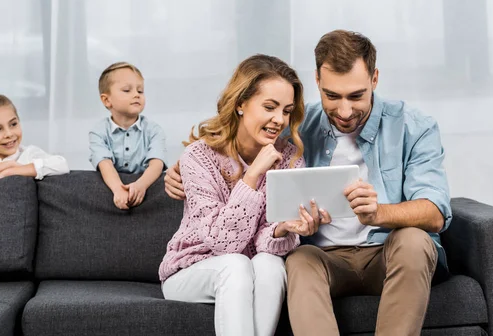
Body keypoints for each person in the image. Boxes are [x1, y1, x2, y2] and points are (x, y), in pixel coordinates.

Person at [164, 30, 452, 335]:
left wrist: (378, 213)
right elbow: (238, 140)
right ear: (317, 81)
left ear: (375, 79)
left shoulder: (414, 127)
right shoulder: (297, 129)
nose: (344, 111)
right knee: (298, 261)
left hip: (387, 251)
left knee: (414, 241)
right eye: (332, 96)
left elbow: (435, 213)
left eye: (356, 96)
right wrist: (181, 168)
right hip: (324, 257)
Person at [159, 54, 326, 336]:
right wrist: (252, 176)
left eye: (286, 111)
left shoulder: (289, 158)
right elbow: (225, 244)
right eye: (269, 107)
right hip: (190, 269)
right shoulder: (198, 157)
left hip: (249, 268)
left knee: (270, 265)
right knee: (236, 265)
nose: (279, 120)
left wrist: (283, 229)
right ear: (240, 104)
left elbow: (264, 242)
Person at [89, 62, 166, 210]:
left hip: (147, 187)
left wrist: (141, 186)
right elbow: (105, 164)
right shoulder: (98, 132)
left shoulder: (154, 130)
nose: (136, 94)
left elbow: (157, 163)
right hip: (112, 190)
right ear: (107, 100)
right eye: (126, 90)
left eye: (140, 91)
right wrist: (118, 189)